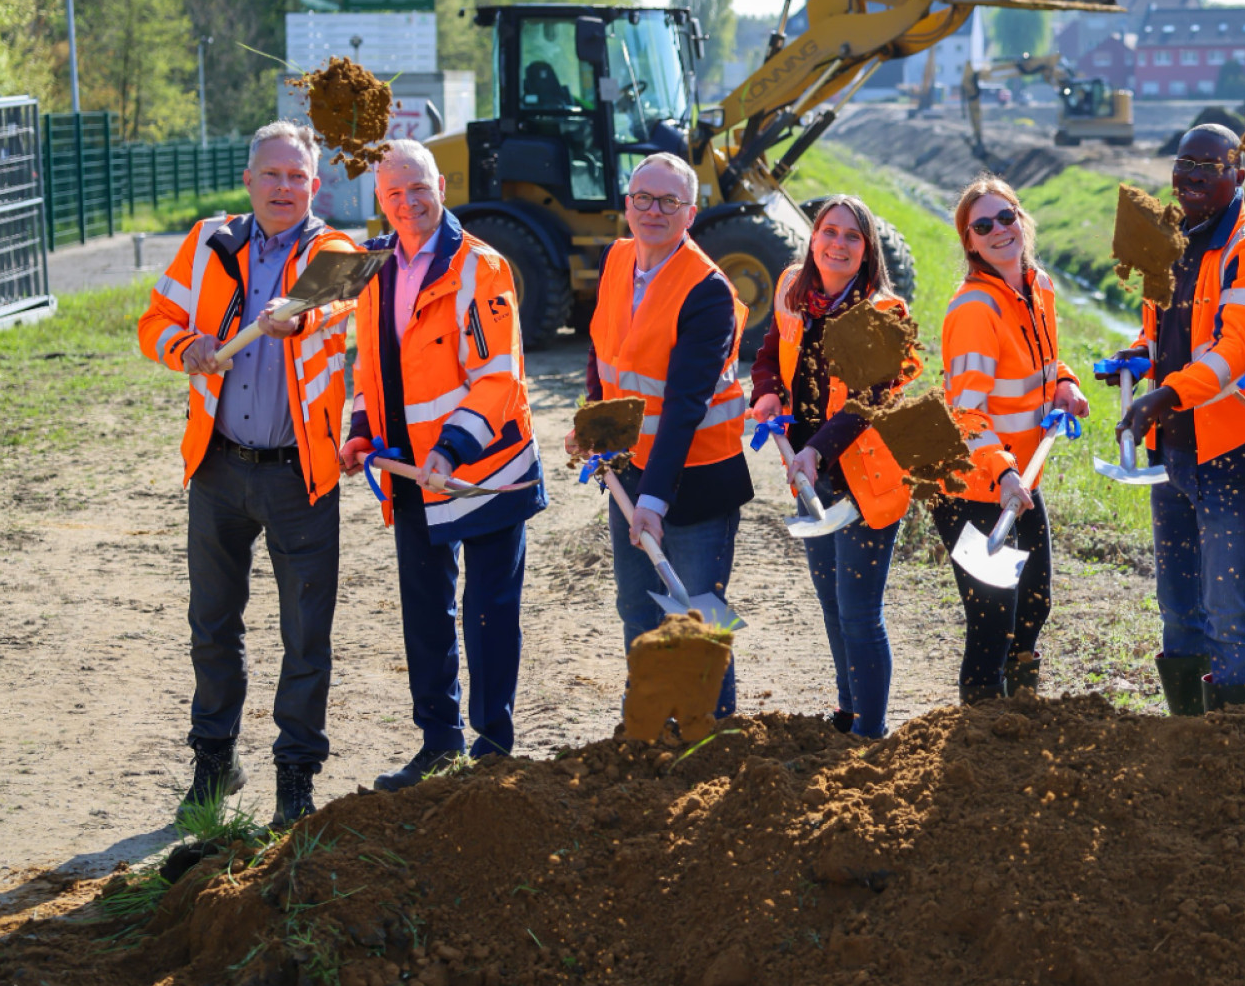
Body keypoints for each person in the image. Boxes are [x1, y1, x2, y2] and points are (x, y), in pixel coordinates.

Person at [137, 121, 357, 827]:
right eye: (273, 174)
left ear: (315, 187)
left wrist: (298, 318)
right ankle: (213, 762)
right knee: (212, 624)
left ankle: (295, 774)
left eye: (298, 177)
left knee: (306, 635)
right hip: (220, 466)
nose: (285, 187)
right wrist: (188, 345)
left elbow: (341, 303)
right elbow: (154, 322)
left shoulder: (337, 252)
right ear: (249, 180)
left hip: (302, 477)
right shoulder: (209, 243)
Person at [340, 139, 546, 788]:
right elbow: (365, 362)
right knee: (425, 614)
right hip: (408, 475)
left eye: (418, 188)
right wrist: (359, 430)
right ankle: (438, 744)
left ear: (440, 187)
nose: (408, 203)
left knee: (488, 612)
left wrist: (450, 446)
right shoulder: (372, 267)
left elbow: (497, 377)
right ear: (380, 201)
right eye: (394, 194)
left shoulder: (481, 267)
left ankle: (491, 750)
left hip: (479, 470)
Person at [1112, 125, 1245, 715]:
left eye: (1209, 167)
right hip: (1176, 451)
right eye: (1184, 163)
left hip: (1234, 450)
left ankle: (1231, 746)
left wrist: (1161, 397)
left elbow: (1233, 350)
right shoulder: (1172, 240)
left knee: (1229, 607)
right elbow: (1165, 328)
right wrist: (1141, 357)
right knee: (1177, 603)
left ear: (1238, 175)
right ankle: (1186, 740)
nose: (1191, 177)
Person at [571, 153, 751, 719]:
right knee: (636, 608)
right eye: (643, 198)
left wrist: (654, 498)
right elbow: (604, 353)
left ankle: (709, 735)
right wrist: (593, 428)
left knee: (695, 615)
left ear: (690, 213)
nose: (654, 210)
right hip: (629, 470)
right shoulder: (617, 259)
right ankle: (646, 725)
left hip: (696, 478)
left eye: (669, 201)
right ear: (627, 204)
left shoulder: (708, 291)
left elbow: (684, 406)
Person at [750, 196, 921, 737]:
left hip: (865, 476)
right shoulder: (792, 289)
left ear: (867, 251)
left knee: (859, 611)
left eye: (852, 236)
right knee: (830, 602)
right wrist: (766, 394)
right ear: (813, 237)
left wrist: (817, 449)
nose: (837, 244)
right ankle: (848, 713)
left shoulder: (884, 313)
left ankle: (871, 734)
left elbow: (869, 398)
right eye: (829, 231)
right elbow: (770, 348)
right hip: (809, 473)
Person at [937, 177, 1090, 703]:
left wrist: (1066, 385)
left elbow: (1044, 363)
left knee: (1035, 602)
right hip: (973, 489)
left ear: (1021, 220)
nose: (999, 229)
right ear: (971, 244)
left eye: (1007, 216)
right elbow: (965, 411)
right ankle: (980, 732)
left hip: (1019, 479)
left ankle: (1020, 706)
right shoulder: (975, 310)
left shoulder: (1036, 286)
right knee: (992, 618)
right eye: (984, 225)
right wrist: (1001, 472)